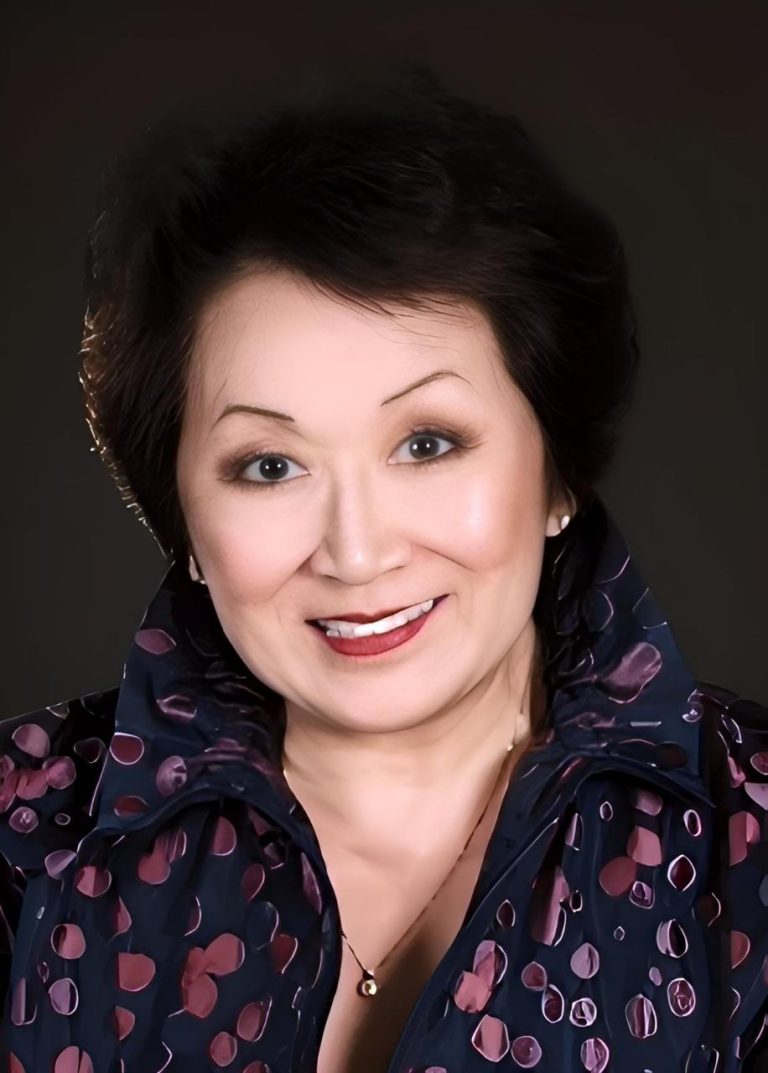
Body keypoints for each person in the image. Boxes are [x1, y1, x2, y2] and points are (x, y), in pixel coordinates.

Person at [0, 64, 766, 1073]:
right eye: (269, 466)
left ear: (558, 475)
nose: (357, 552)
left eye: (428, 443)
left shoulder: (748, 838)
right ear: (181, 518)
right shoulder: (24, 837)